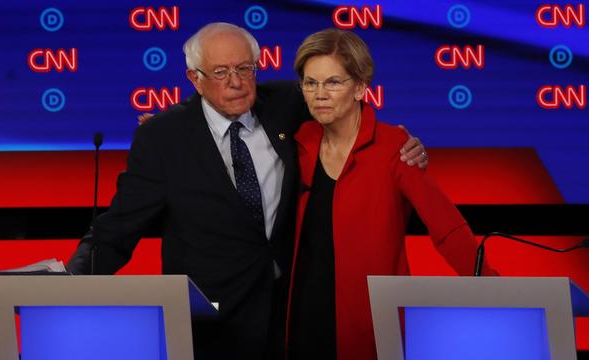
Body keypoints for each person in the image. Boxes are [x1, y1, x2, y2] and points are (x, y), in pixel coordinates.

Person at [66, 23, 428, 360]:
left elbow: (348, 113)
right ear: (195, 79)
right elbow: (120, 226)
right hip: (211, 324)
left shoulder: (288, 102)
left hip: (291, 315)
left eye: (244, 69)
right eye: (220, 73)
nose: (235, 82)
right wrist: (67, 280)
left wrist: (402, 142)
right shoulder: (164, 137)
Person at [285, 29, 497, 360]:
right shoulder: (296, 142)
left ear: (360, 88)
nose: (319, 94)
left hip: (370, 321)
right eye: (310, 83)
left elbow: (447, 228)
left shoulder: (394, 148)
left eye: (333, 82)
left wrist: (499, 291)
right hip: (300, 318)